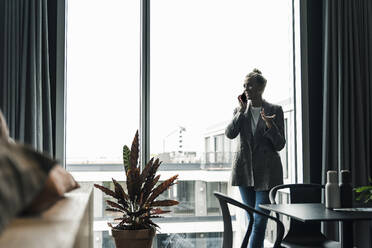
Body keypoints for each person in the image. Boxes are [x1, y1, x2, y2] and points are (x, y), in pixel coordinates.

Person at [225, 69, 285, 248]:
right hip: (244, 172)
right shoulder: (239, 110)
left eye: (249, 85)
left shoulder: (275, 110)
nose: (246, 89)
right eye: (244, 86)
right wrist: (241, 113)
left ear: (261, 87)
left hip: (267, 173)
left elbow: (280, 145)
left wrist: (269, 125)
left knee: (260, 220)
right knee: (252, 219)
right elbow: (230, 134)